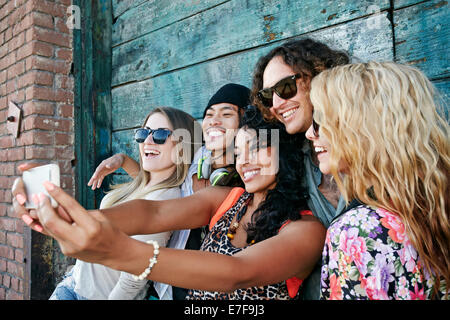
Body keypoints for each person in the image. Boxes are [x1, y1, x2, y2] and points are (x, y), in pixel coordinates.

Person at [14, 106, 326, 300]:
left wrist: (120, 251)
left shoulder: (305, 230)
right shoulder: (229, 199)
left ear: (283, 151)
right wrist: (71, 215)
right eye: (238, 151)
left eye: (257, 147)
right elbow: (153, 211)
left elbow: (236, 272)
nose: (245, 161)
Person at [86, 83, 251, 299]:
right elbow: (157, 181)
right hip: (163, 287)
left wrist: (84, 222)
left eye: (226, 113)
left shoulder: (246, 182)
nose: (214, 121)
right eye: (209, 115)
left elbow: (156, 210)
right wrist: (124, 161)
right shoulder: (198, 158)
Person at [305, 61, 449, 299]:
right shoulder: (435, 201)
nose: (311, 133)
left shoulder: (355, 230)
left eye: (320, 120)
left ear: (360, 126)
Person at [42, 107, 200, 299]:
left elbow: (135, 277)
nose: (148, 141)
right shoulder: (143, 184)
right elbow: (142, 184)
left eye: (160, 135)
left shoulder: (167, 200)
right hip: (73, 283)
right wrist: (123, 160)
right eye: (143, 133)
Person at [250, 37, 350, 299]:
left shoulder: (375, 150)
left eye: (285, 87)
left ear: (318, 76)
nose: (275, 104)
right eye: (267, 95)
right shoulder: (292, 160)